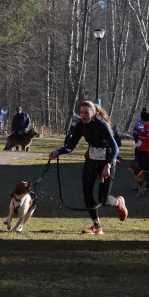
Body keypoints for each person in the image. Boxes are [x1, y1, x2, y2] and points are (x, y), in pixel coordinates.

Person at [48, 101, 129, 235]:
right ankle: (97, 226)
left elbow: (115, 148)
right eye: (81, 112)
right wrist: (58, 152)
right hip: (91, 162)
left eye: (86, 112)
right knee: (87, 193)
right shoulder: (80, 125)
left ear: (94, 113)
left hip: (107, 162)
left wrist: (108, 165)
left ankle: (119, 202)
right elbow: (70, 146)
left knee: (103, 200)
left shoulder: (101, 124)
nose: (83, 115)